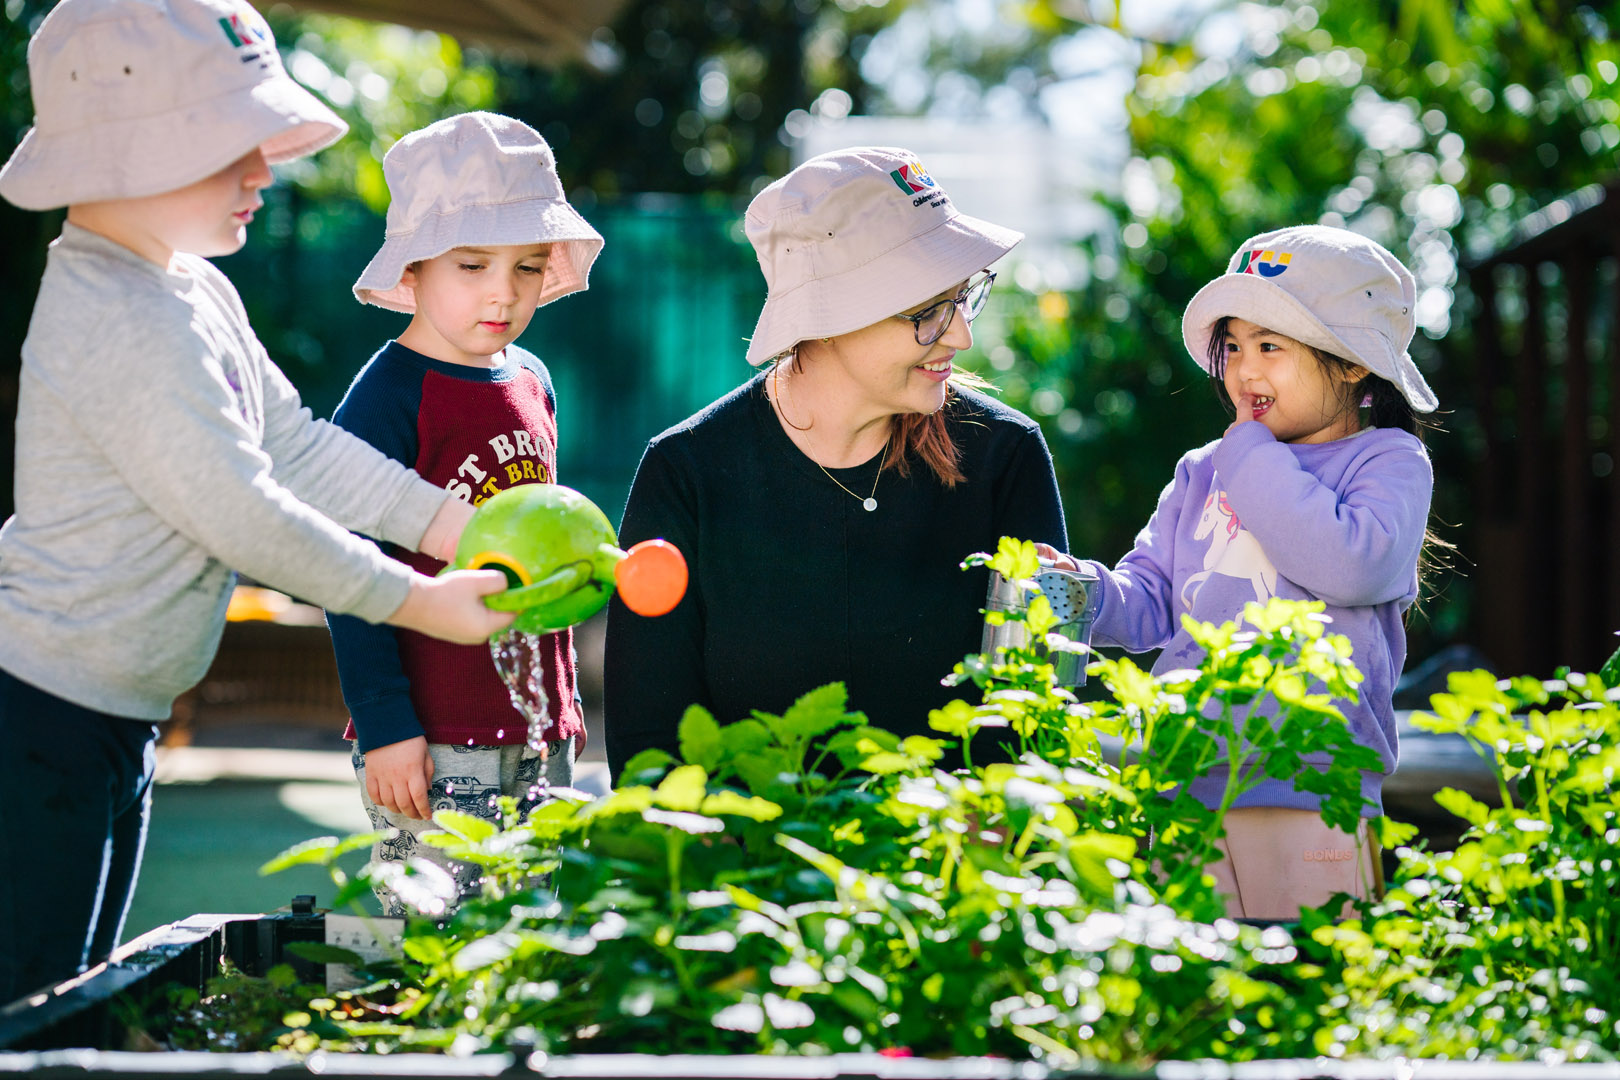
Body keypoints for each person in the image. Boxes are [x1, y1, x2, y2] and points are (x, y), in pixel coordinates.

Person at [0, 0, 516, 1000]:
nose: (265, 170)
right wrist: (422, 602)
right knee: (27, 1010)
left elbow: (298, 447)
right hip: (39, 720)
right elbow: (242, 513)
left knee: (70, 1006)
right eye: (229, 145)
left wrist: (460, 527)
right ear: (125, 151)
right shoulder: (116, 315)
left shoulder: (190, 288)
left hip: (114, 713)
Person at [603, 147, 1068, 781]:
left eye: (963, 298)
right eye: (927, 310)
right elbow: (648, 749)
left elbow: (1038, 715)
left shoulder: (1004, 459)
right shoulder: (687, 474)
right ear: (826, 319)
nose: (959, 334)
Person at [1041, 224, 1439, 919]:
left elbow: (1351, 564)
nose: (1244, 370)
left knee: (1309, 981)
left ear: (1350, 363)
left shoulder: (1387, 462)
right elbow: (1156, 599)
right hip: (1187, 779)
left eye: (1271, 347)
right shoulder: (1201, 471)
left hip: (1314, 785)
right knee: (1202, 991)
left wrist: (1249, 453)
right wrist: (1082, 591)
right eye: (1234, 347)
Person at [328, 112, 603, 913]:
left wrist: (565, 704)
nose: (503, 291)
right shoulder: (386, 398)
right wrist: (384, 724)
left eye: (527, 266)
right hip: (432, 736)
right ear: (412, 269)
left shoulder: (534, 380)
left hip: (540, 730)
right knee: (434, 945)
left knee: (527, 939)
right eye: (474, 263)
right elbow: (348, 571)